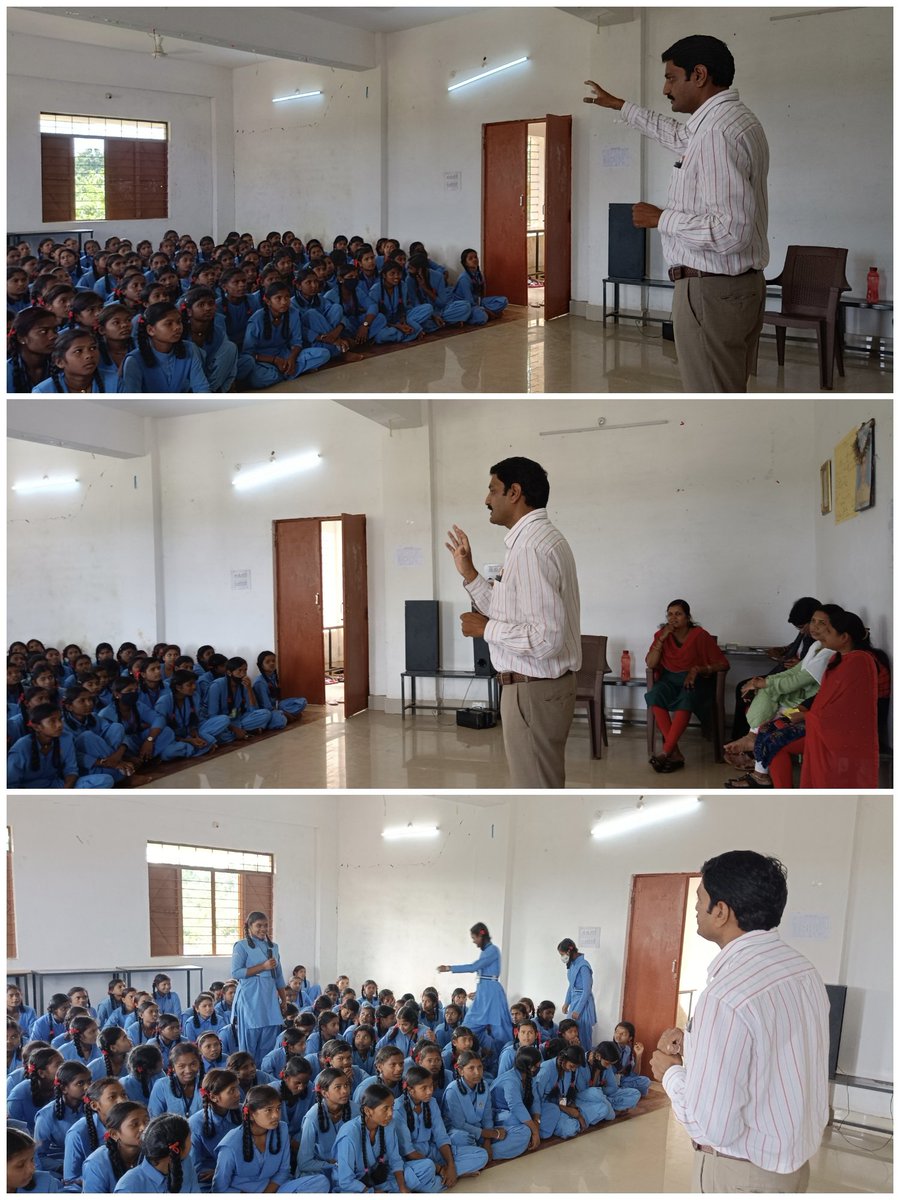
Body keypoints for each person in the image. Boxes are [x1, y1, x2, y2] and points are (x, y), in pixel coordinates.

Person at [585, 34, 768, 392]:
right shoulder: (733, 121)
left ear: (698, 75)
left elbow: (732, 231)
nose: (666, 88)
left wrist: (660, 219)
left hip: (710, 291)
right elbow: (676, 135)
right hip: (735, 287)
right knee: (726, 389)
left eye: (671, 77)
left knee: (711, 395)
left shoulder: (716, 132)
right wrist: (620, 106)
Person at [648, 850, 828, 1193]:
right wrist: (699, 1047)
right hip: (790, 1167)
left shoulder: (726, 995)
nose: (696, 909)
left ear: (721, 911)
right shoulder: (802, 971)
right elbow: (774, 1052)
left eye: (700, 899)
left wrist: (670, 1072)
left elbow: (711, 1126)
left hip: (741, 1175)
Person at [446, 456, 581, 788]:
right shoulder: (534, 541)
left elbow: (546, 638)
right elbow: (508, 609)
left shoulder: (531, 548)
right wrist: (470, 574)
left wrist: (484, 629)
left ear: (515, 492)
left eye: (493, 489)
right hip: (533, 689)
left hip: (532, 691)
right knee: (539, 783)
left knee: (536, 788)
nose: (486, 499)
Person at [645, 599, 729, 773]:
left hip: (694, 680)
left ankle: (666, 751)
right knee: (655, 695)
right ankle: (674, 752)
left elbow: (723, 664)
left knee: (687, 696)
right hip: (669, 679)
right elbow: (651, 663)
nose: (673, 618)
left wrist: (699, 669)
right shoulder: (662, 635)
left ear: (688, 617)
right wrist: (661, 639)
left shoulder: (700, 635)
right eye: (670, 614)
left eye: (678, 614)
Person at [730, 597, 820, 739]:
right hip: (787, 676)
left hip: (796, 686)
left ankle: (750, 737)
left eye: (802, 627)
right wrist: (782, 650)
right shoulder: (810, 639)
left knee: (755, 691)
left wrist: (763, 683)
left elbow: (800, 678)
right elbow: (796, 655)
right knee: (746, 688)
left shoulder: (820, 646)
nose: (801, 631)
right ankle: (746, 736)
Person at [437, 922, 512, 1048]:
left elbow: (474, 967)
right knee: (468, 1026)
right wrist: (480, 993)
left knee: (500, 1032)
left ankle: (508, 1056)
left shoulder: (492, 950)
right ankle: (453, 1052)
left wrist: (450, 968)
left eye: (474, 938)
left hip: (492, 993)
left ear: (481, 936)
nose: (473, 941)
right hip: (485, 991)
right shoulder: (487, 951)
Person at [231, 910, 287, 1065]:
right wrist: (262, 966)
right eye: (259, 925)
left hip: (269, 1000)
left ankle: (264, 1076)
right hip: (251, 999)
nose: (263, 929)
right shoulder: (241, 946)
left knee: (269, 1043)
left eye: (266, 925)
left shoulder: (273, 947)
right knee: (249, 1044)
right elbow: (236, 972)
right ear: (249, 926)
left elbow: (278, 976)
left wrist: (283, 1000)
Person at [558, 938, 597, 1052]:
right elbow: (571, 986)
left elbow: (586, 991)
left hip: (583, 1005)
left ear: (569, 952)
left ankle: (584, 1058)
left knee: (582, 1033)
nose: (562, 957)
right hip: (574, 1001)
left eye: (562, 954)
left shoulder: (584, 966)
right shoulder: (572, 965)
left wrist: (578, 1010)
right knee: (569, 1031)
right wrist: (566, 1002)